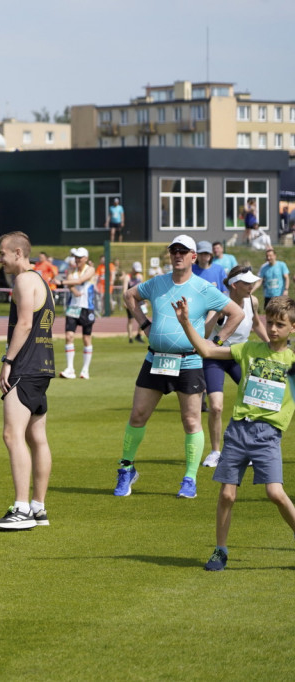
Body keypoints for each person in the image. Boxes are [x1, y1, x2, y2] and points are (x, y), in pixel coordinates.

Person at [171, 295, 295, 571]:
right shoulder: (248, 349)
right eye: (270, 323)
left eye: (280, 325)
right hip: (238, 431)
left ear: (292, 328)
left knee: (275, 493)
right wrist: (185, 324)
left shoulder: (292, 362)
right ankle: (220, 550)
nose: (273, 329)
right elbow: (206, 350)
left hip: (268, 435)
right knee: (227, 495)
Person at [115, 235, 244, 500]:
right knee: (138, 414)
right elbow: (129, 296)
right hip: (156, 359)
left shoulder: (203, 288)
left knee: (191, 420)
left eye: (183, 251)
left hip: (190, 361)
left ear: (193, 256)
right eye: (174, 250)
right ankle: (126, 469)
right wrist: (144, 325)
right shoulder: (158, 282)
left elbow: (237, 313)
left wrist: (215, 343)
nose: (177, 255)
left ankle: (189, 478)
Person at [0, 232, 56, 531]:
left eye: (2, 253)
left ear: (18, 252)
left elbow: (26, 323)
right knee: (36, 438)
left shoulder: (24, 281)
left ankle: (21, 509)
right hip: (43, 368)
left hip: (25, 368)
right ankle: (38, 508)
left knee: (11, 435)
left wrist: (7, 361)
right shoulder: (41, 281)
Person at [199, 267, 270, 468]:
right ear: (234, 285)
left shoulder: (252, 301)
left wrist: (270, 345)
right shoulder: (218, 301)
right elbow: (205, 333)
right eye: (247, 283)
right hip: (216, 356)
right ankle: (215, 452)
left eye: (252, 283)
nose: (251, 286)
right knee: (216, 406)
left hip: (242, 355)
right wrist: (218, 314)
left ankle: (248, 449)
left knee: (256, 402)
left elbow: (256, 324)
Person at [57, 247, 97, 380]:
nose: (77, 260)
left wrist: (62, 282)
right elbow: (72, 285)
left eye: (80, 257)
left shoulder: (90, 269)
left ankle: (85, 370)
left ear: (86, 258)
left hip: (87, 307)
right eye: (76, 257)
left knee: (86, 338)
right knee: (69, 336)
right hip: (73, 307)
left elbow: (80, 281)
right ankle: (70, 369)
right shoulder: (71, 272)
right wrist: (72, 288)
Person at [123, 262, 146, 343]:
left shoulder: (140, 277)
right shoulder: (127, 277)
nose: (137, 272)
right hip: (130, 301)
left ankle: (139, 335)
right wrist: (125, 301)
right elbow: (125, 290)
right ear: (132, 269)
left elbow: (142, 289)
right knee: (130, 319)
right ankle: (130, 337)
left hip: (140, 301)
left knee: (144, 317)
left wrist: (145, 300)